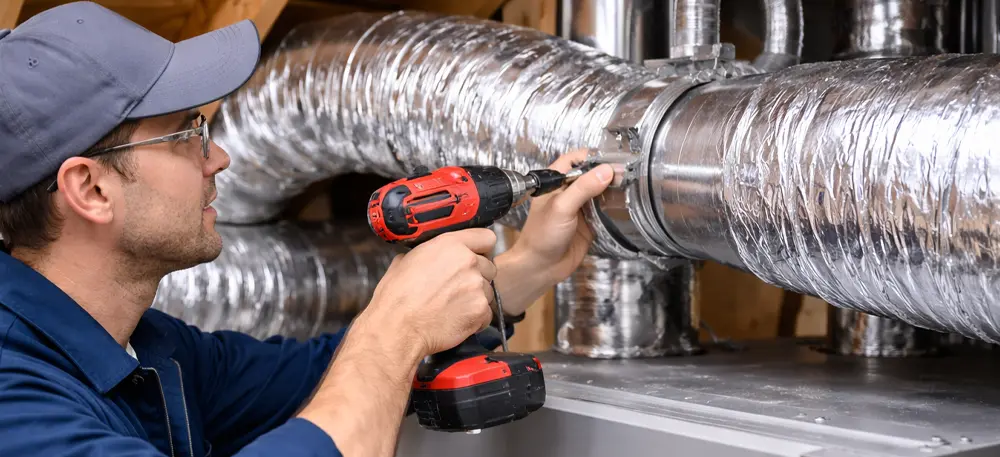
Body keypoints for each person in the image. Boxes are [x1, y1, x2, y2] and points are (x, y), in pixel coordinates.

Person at [0, 2, 614, 457]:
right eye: (189, 133)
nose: (218, 158)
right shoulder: (15, 401)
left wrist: (534, 262)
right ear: (90, 189)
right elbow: (367, 367)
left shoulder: (150, 351)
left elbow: (320, 375)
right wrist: (393, 329)